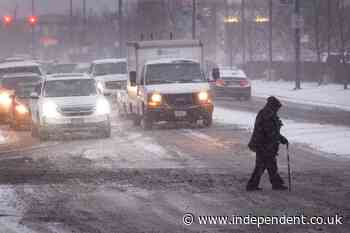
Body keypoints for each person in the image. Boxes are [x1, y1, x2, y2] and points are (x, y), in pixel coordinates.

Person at [246, 96, 289, 191]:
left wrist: (281, 138)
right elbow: (270, 132)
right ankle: (252, 185)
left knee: (271, 165)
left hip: (266, 145)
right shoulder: (267, 115)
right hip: (263, 145)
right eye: (277, 108)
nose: (278, 110)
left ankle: (276, 184)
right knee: (261, 166)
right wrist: (280, 139)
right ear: (273, 106)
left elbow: (273, 132)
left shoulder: (269, 113)